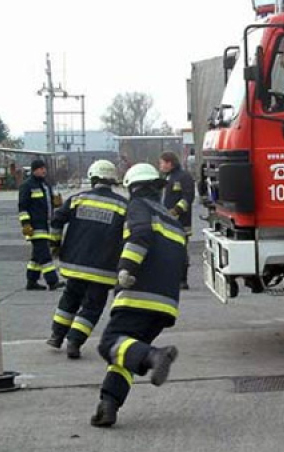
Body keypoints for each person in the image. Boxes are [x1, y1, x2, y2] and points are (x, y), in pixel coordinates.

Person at [90, 163, 186, 428]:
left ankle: (156, 356)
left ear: (133, 187)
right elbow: (182, 262)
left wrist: (125, 269)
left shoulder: (138, 206)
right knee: (125, 353)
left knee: (108, 343)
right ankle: (108, 406)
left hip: (139, 295)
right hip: (166, 304)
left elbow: (140, 235)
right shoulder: (171, 218)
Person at [46, 160, 127, 359]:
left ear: (93, 178)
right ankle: (74, 342)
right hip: (104, 268)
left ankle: (56, 336)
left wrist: (55, 245)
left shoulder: (77, 199)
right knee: (92, 307)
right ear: (112, 180)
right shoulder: (122, 205)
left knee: (70, 298)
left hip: (75, 263)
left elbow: (56, 220)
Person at [18, 159, 62, 291]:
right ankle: (52, 281)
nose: (44, 170)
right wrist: (25, 224)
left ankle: (31, 281)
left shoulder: (46, 185)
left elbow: (48, 205)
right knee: (44, 255)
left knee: (36, 257)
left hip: (46, 225)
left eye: (44, 168)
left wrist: (57, 203)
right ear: (34, 170)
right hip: (34, 227)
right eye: (41, 168)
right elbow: (22, 207)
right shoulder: (27, 186)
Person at [158, 151, 195, 290]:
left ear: (169, 163)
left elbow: (187, 198)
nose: (160, 166)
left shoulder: (184, 177)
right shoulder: (167, 178)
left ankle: (182, 280)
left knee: (180, 251)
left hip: (181, 223)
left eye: (161, 163)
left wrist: (175, 211)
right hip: (166, 221)